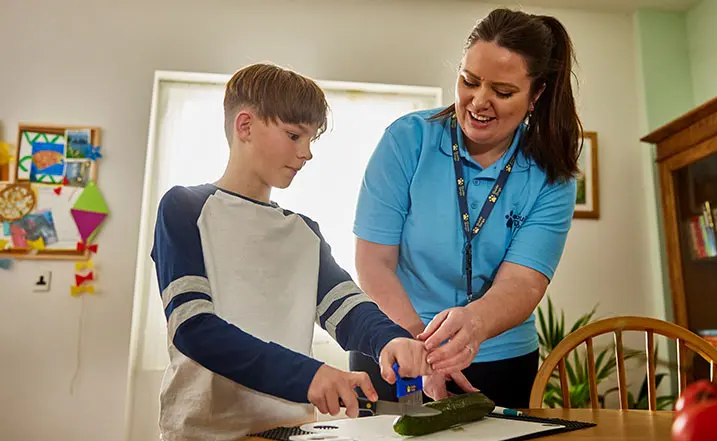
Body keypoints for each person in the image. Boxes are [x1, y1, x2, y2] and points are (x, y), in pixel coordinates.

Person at [151, 63, 434, 441]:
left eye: (311, 139)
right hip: (205, 432)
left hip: (293, 432)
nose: (307, 153)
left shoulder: (303, 232)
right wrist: (307, 375)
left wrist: (392, 339)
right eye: (294, 135)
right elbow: (193, 328)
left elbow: (350, 311)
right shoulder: (184, 208)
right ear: (245, 126)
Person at [351, 8, 581, 409]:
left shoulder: (551, 176)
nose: (479, 102)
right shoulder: (408, 140)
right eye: (469, 81)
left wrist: (473, 324)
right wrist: (417, 344)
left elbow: (523, 284)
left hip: (500, 358)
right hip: (397, 347)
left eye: (503, 92)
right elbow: (373, 262)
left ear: (536, 95)